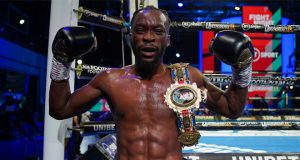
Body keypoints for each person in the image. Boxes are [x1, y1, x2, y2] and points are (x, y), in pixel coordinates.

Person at [49, 6, 253, 160]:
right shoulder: (110, 79)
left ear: (168, 39)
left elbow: (232, 108)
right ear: (130, 36)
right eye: (140, 30)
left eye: (157, 31)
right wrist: (61, 61)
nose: (148, 37)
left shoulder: (188, 77)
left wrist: (242, 68)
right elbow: (60, 109)